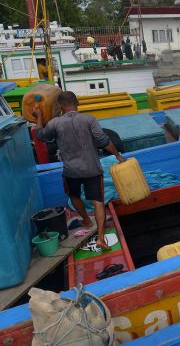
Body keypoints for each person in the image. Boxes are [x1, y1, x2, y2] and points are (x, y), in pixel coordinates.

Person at [33, 91, 125, 250]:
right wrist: (118, 155)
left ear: (61, 106)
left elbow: (41, 135)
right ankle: (101, 238)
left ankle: (87, 221)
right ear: (78, 103)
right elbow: (103, 141)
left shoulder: (55, 123)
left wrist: (39, 116)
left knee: (74, 195)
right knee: (98, 202)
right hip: (92, 169)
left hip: (71, 171)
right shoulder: (89, 119)